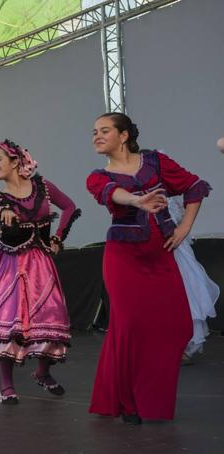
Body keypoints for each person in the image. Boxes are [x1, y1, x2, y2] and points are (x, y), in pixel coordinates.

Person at [86, 112, 211, 424]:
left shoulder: (156, 161)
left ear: (124, 135)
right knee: (127, 328)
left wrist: (183, 228)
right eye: (94, 132)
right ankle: (129, 402)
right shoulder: (97, 176)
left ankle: (147, 394)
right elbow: (115, 194)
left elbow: (194, 187)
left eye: (104, 130)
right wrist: (137, 201)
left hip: (160, 255)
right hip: (123, 258)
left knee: (180, 324)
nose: (96, 136)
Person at [0, 139, 80, 405]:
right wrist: (4, 211)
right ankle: (6, 386)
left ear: (15, 161)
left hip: (40, 264)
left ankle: (42, 372)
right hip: (9, 266)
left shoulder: (43, 187)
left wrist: (57, 238)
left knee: (52, 318)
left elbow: (69, 207)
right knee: (10, 323)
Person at [166, 196, 219, 364]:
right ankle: (169, 345)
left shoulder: (164, 195)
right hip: (163, 248)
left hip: (173, 247)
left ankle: (183, 345)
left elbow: (176, 219)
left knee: (187, 291)